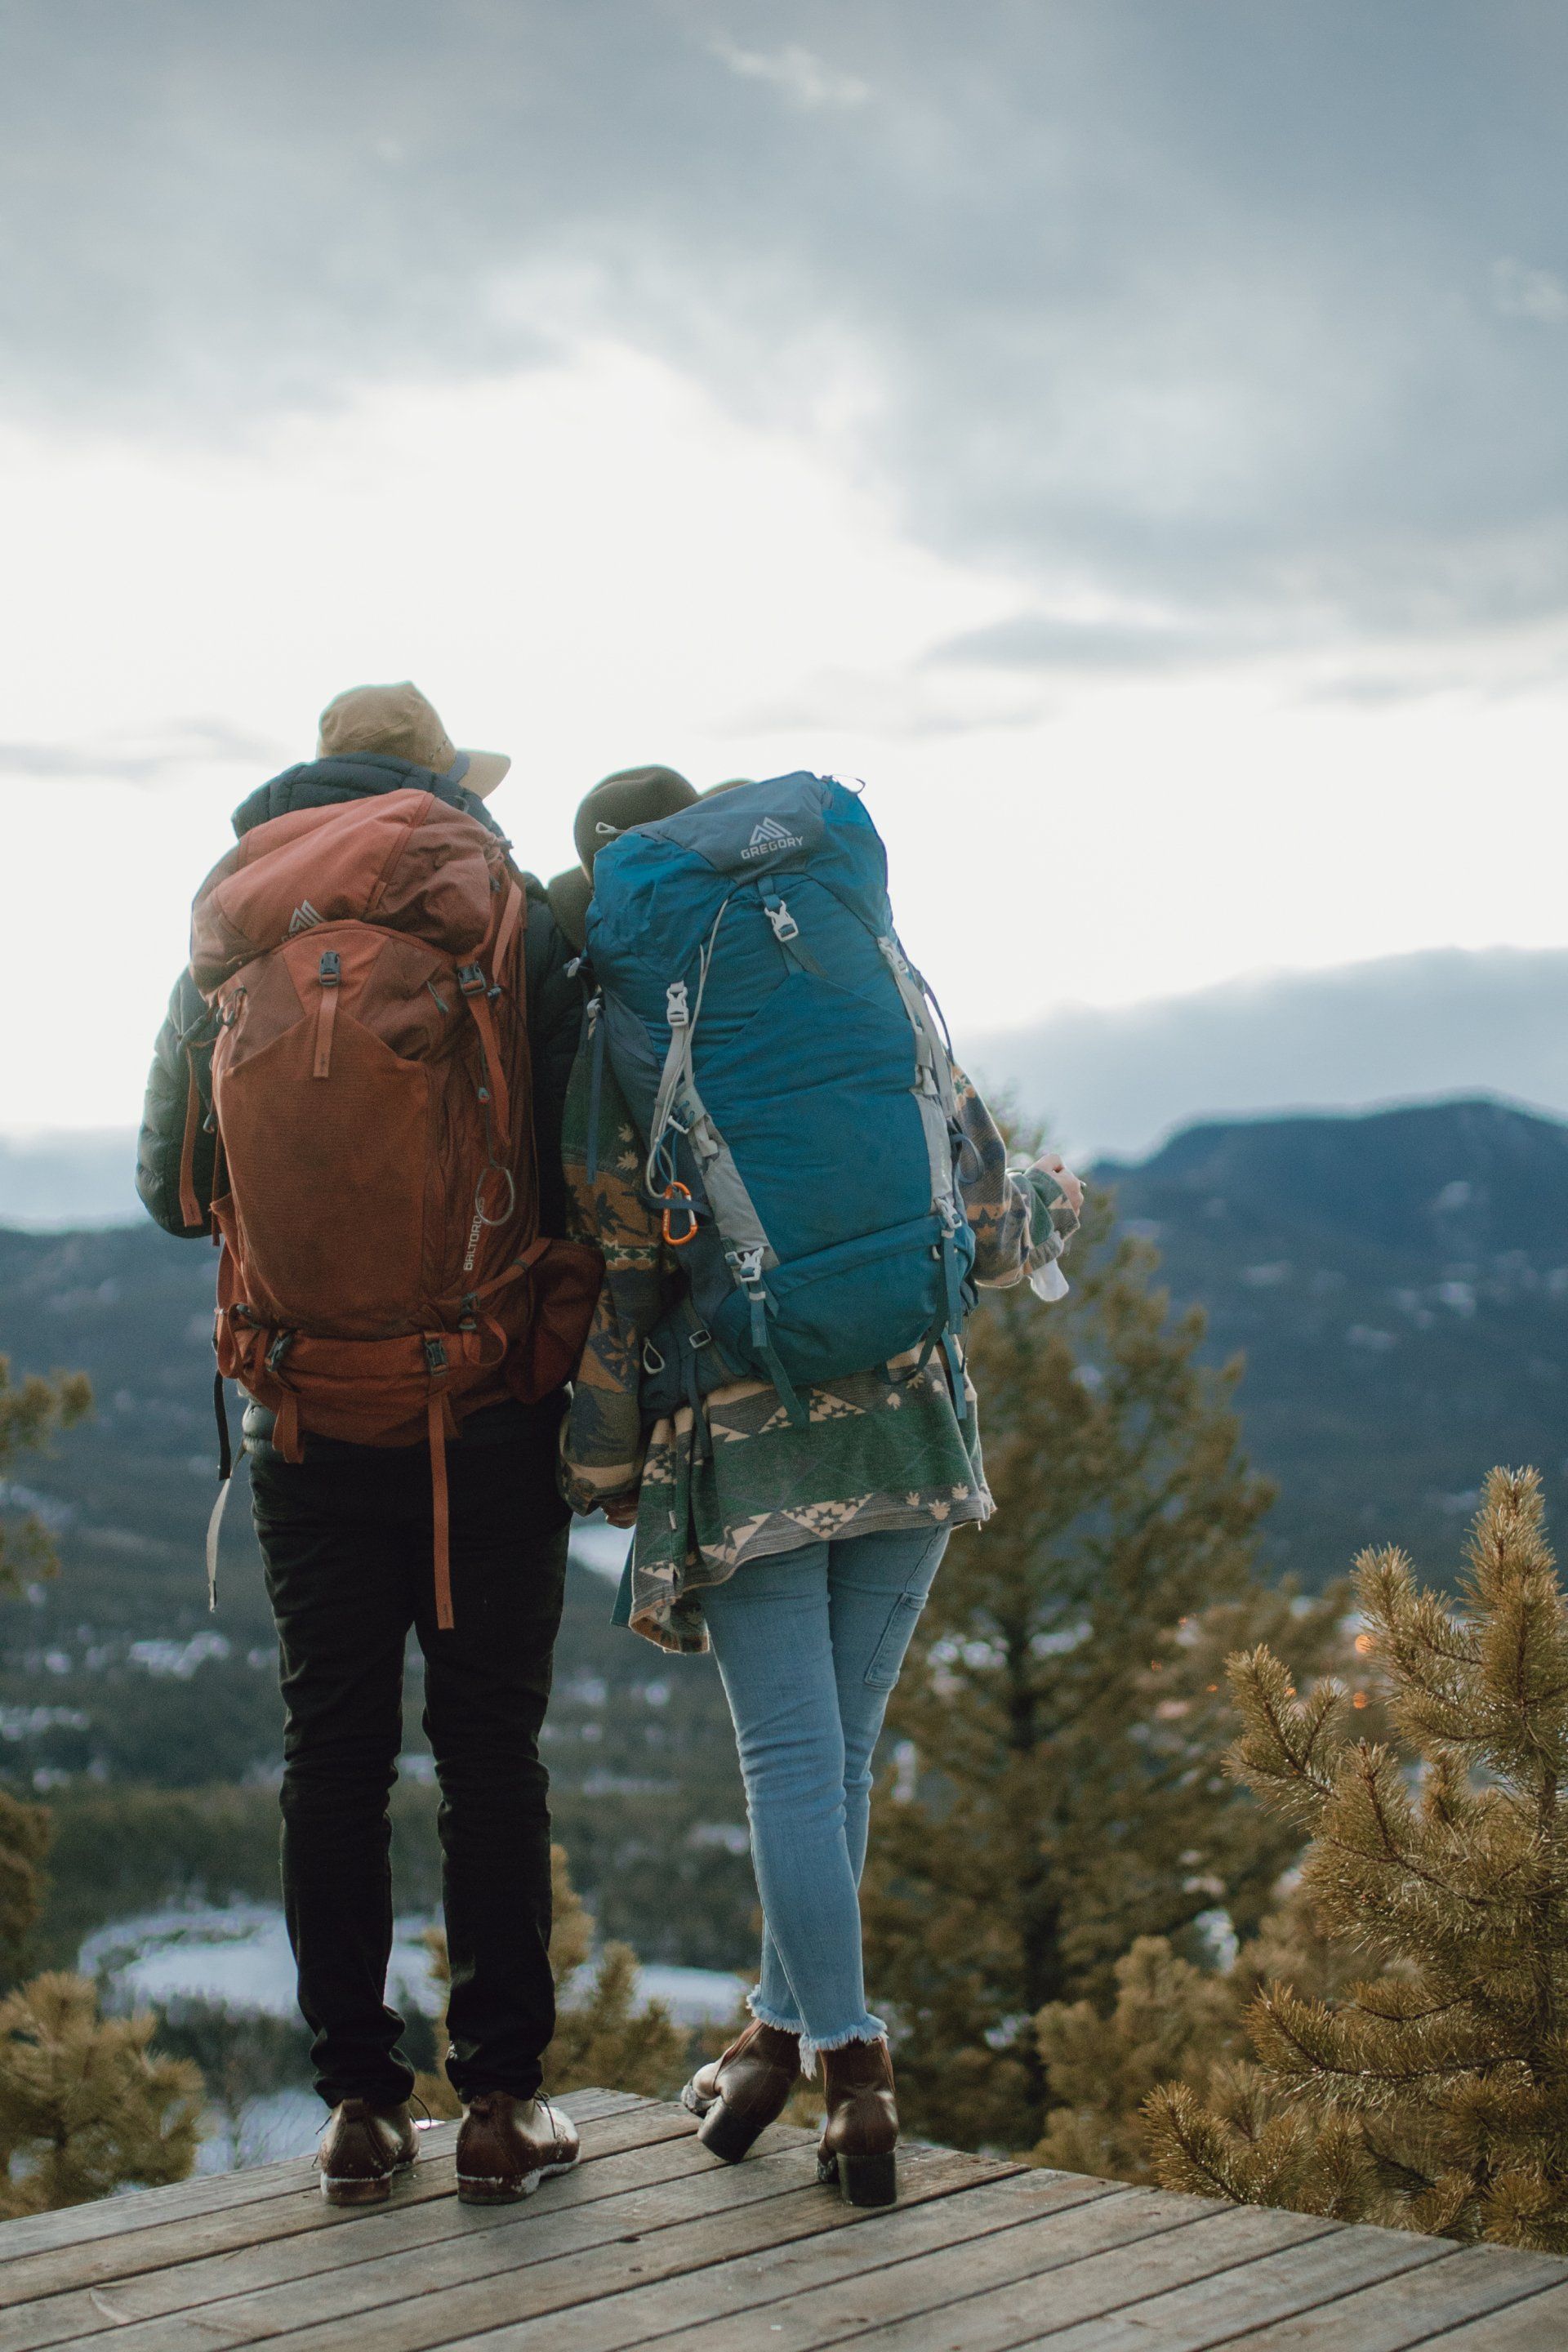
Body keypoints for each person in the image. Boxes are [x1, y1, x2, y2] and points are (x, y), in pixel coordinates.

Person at [558, 768, 1083, 2207]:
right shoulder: (853, 957)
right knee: (840, 1760)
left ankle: (854, 2069)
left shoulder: (626, 1017)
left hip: (754, 1425)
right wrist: (1061, 1200)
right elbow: (980, 1208)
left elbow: (621, 1257)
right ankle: (781, 2038)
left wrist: (596, 1453)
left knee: (792, 1763)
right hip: (915, 1413)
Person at [136, 683, 591, 2206]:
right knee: (488, 1761)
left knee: (329, 1757)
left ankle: (355, 2106)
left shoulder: (231, 925)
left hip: (304, 1422)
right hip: (485, 1418)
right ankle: (502, 2105)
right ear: (438, 783)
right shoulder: (494, 905)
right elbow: (567, 1154)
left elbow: (166, 1182)